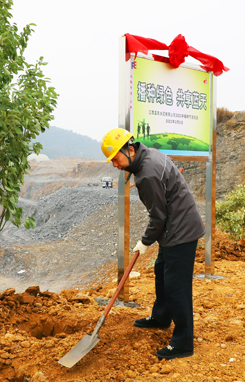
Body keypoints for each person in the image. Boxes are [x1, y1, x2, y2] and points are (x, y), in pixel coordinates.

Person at [100, 128, 205, 360]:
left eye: (116, 159)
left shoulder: (147, 174)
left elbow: (158, 216)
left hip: (180, 231)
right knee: (161, 272)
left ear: (129, 150)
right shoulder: (148, 155)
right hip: (173, 228)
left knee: (177, 287)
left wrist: (144, 242)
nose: (115, 165)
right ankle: (161, 317)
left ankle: (183, 342)